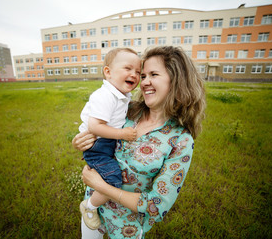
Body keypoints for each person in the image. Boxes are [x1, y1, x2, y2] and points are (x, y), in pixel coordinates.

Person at [73, 46, 206, 239]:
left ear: (176, 80)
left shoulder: (181, 140)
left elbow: (156, 204)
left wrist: (102, 187)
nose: (144, 82)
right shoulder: (128, 110)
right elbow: (95, 129)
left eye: (153, 74)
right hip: (93, 211)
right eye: (143, 76)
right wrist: (79, 141)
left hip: (126, 227)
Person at [78, 48, 141, 230]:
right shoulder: (104, 96)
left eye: (138, 72)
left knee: (109, 174)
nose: (134, 75)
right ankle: (90, 207)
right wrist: (122, 134)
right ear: (108, 72)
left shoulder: (121, 95)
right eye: (128, 68)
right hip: (97, 145)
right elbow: (94, 127)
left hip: (104, 143)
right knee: (113, 179)